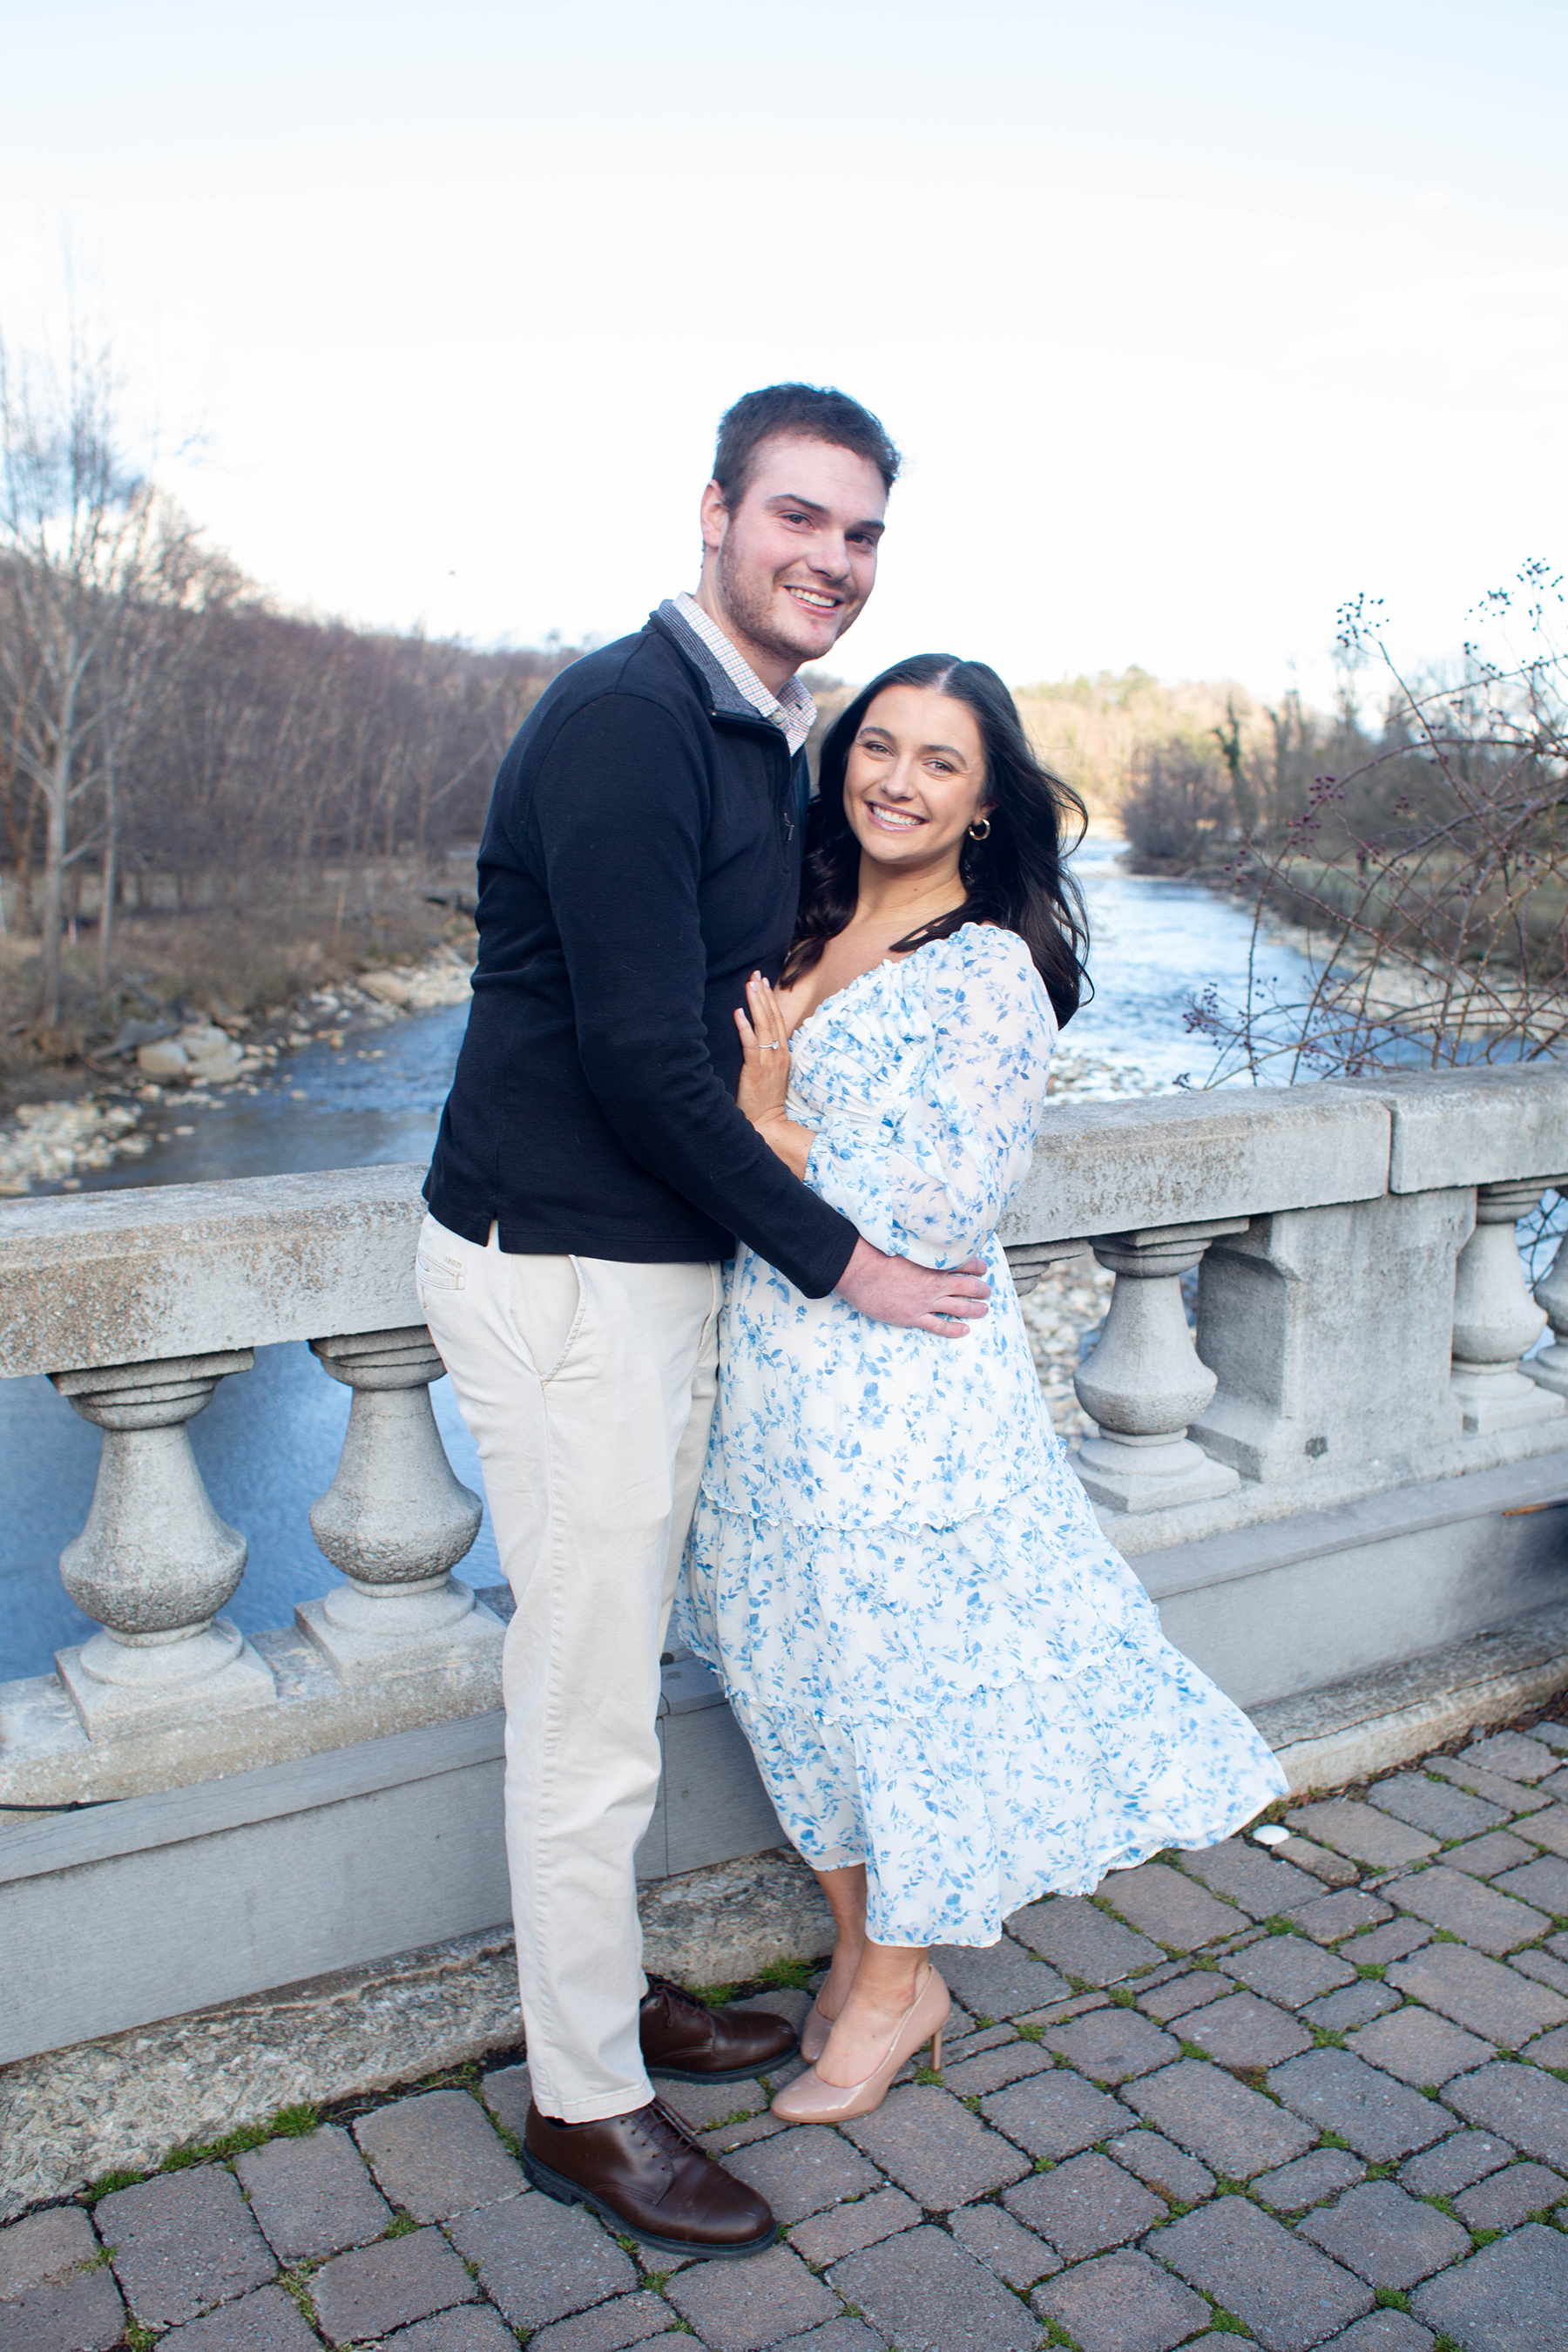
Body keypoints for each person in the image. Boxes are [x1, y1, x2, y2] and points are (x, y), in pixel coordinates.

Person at [416, 386, 995, 2259]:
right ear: (714, 514)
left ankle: (609, 1994)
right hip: (568, 1266)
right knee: (586, 1709)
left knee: (618, 1689)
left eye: (861, 536)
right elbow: (648, 1062)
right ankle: (588, 2100)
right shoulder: (628, 724)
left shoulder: (766, 734)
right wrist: (850, 1260)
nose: (830, 561)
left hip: (648, 1270)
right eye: (799, 520)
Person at [678, 653, 1288, 2123]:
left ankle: (898, 1987)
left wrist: (765, 1124)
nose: (895, 778)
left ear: (987, 801)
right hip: (765, 1368)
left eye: (938, 762)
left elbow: (943, 1211)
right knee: (784, 1666)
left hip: (903, 1386)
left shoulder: (989, 969)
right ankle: (854, 1950)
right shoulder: (800, 920)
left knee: (897, 1689)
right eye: (875, 746)